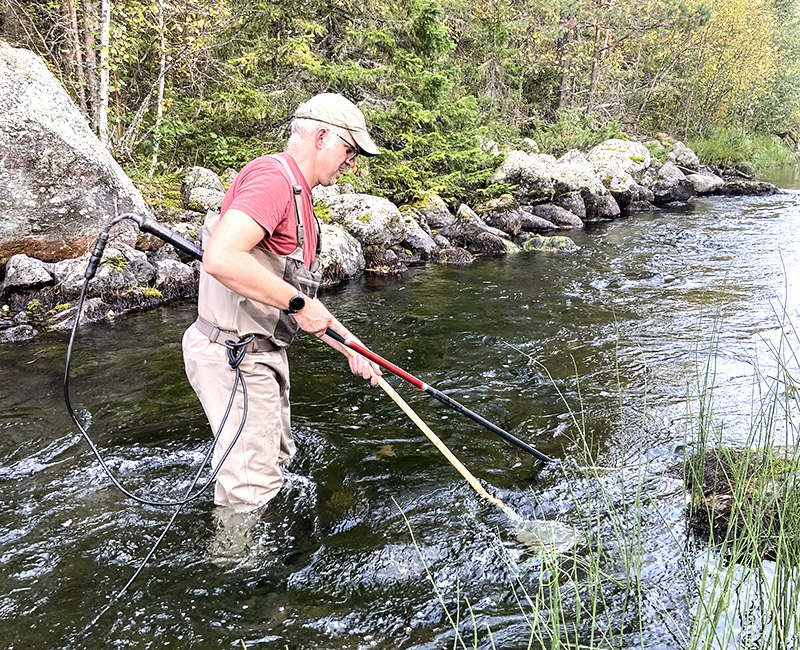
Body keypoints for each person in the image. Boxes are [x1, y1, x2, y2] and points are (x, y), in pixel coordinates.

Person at [182, 93, 382, 512]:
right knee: (248, 494)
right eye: (349, 150)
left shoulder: (299, 196)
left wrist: (350, 347)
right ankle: (236, 569)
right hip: (233, 356)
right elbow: (222, 258)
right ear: (322, 136)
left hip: (259, 354)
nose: (351, 163)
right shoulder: (273, 181)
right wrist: (297, 304)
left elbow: (298, 305)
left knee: (273, 465)